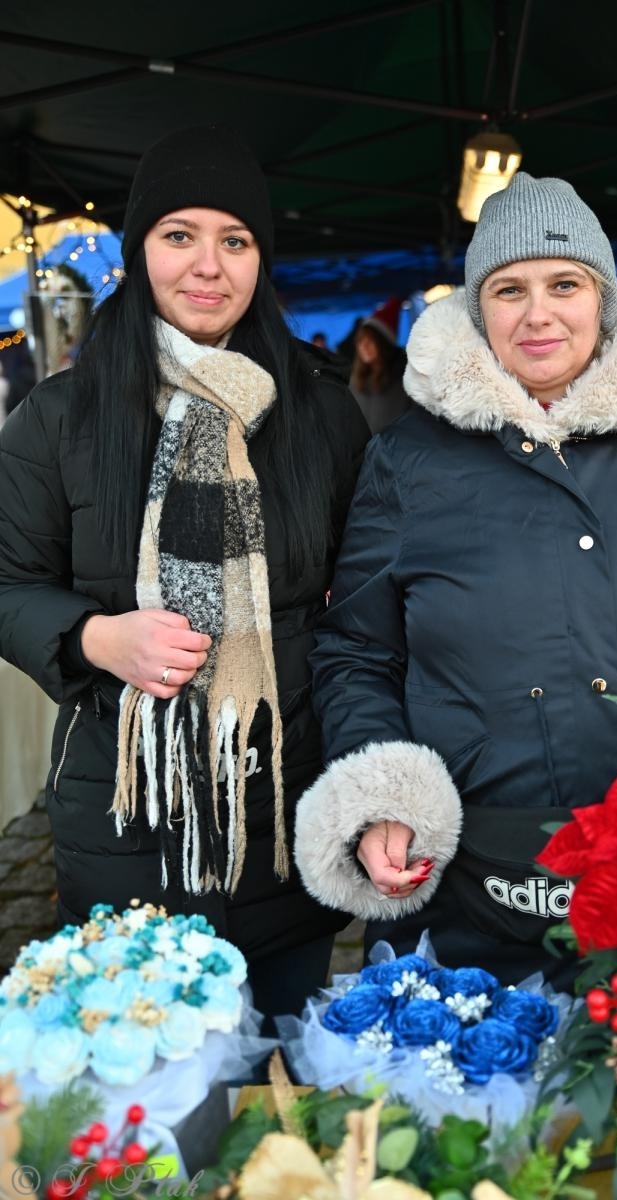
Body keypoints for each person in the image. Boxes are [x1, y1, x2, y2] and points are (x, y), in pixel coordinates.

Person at [294, 173, 617, 986]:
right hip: (471, 866)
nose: (538, 313)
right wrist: (381, 792)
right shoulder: (408, 461)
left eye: (564, 284)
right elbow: (356, 651)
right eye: (509, 289)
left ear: (603, 299)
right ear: (476, 310)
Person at [0, 125, 369, 1030]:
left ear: (260, 261)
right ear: (140, 253)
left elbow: (365, 607)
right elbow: (8, 582)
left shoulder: (322, 416)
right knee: (150, 1089)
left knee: (286, 1076)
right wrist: (94, 636)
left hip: (284, 810)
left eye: (234, 240)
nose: (208, 265)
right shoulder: (61, 417)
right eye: (179, 235)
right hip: (124, 822)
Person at [348, 297, 411, 434]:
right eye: (360, 341)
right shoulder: (356, 380)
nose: (364, 346)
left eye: (371, 340)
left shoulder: (404, 380)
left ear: (383, 344)